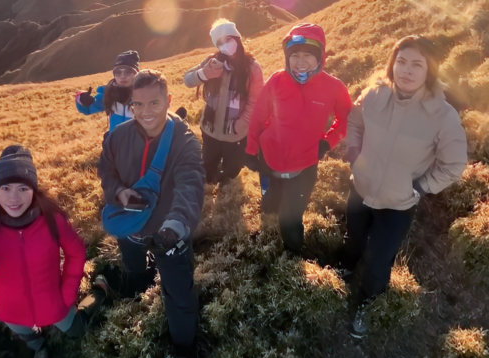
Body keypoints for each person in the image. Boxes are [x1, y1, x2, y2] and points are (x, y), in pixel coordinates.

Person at [340, 36, 467, 339]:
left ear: (429, 71)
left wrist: (420, 187)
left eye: (416, 65)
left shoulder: (442, 116)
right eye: (401, 62)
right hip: (360, 188)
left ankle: (367, 304)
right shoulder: (374, 94)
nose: (406, 70)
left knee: (380, 259)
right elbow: (355, 122)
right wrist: (354, 155)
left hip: (397, 203)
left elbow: (453, 164)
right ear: (392, 64)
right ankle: (346, 264)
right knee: (354, 234)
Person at [98, 69, 205, 358]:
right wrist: (118, 192)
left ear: (169, 101)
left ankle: (184, 352)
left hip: (167, 233)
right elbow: (106, 168)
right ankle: (139, 282)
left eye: (155, 104)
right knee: (133, 267)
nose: (146, 113)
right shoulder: (118, 136)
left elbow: (190, 184)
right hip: (131, 227)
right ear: (131, 104)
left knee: (179, 293)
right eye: (138, 105)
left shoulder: (184, 142)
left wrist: (175, 226)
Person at [0, 145, 87, 358]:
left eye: (22, 188)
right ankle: (40, 348)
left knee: (77, 330)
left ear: (34, 189)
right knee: (28, 336)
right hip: (10, 309)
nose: (13, 198)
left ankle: (97, 292)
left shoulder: (52, 219)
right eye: (5, 188)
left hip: (54, 302)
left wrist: (67, 295)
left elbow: (76, 252)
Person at [246, 23, 352, 256]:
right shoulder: (276, 80)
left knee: (290, 218)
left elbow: (345, 120)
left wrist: (327, 142)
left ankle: (293, 254)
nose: (300, 61)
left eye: (308, 56)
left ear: (320, 57)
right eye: (294, 55)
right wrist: (251, 149)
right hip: (269, 157)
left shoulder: (333, 87)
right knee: (270, 203)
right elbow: (258, 117)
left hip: (304, 165)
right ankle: (269, 225)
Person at [183, 19, 264, 187]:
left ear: (237, 38)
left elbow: (255, 102)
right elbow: (188, 80)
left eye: (228, 39)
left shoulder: (253, 69)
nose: (225, 45)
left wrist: (240, 126)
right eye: (220, 43)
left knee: (231, 172)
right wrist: (204, 74)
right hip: (210, 130)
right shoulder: (213, 62)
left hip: (235, 134)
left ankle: (225, 186)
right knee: (207, 168)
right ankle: (208, 184)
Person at [75, 50, 140, 133]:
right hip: (115, 143)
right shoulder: (109, 94)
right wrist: (82, 100)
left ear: (137, 73)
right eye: (118, 72)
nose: (122, 76)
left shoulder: (144, 95)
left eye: (128, 72)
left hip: (139, 144)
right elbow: (87, 110)